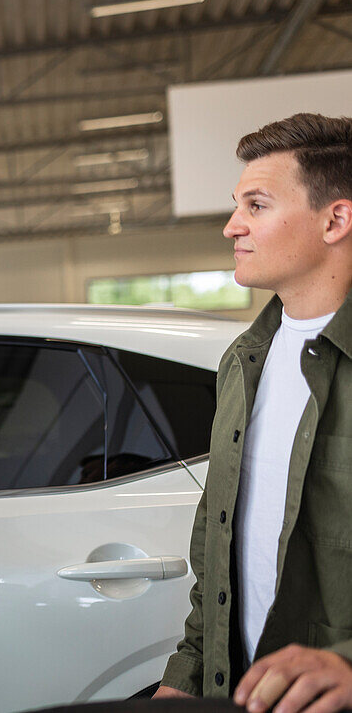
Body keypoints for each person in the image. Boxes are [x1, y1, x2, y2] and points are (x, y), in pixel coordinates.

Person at [155, 113, 352, 713]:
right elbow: (219, 555)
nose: (231, 226)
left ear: (336, 220)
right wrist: (185, 678)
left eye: (257, 205)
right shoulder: (243, 363)